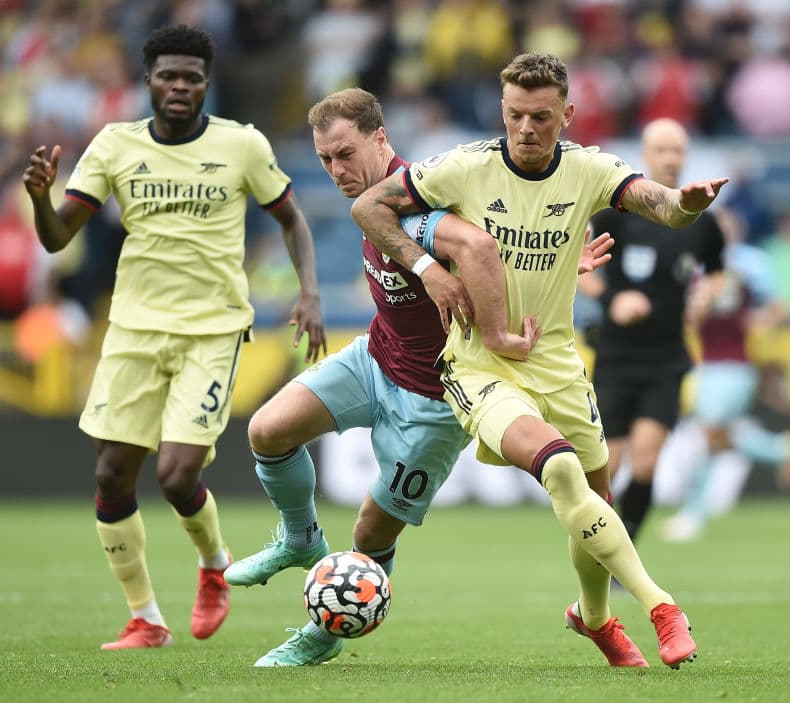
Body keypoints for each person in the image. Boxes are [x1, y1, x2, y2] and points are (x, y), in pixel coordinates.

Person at [353, 52, 728, 669]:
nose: (526, 128)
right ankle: (662, 607)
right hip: (478, 363)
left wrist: (687, 204)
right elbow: (369, 206)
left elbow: (660, 205)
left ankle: (594, 616)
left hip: (555, 360)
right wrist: (426, 270)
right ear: (502, 112)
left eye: (541, 117)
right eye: (515, 115)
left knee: (598, 501)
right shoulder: (462, 167)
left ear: (567, 115)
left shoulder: (588, 170)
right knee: (559, 472)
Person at [224, 87, 614, 667]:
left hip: (435, 400)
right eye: (326, 159)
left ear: (381, 138)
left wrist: (539, 264)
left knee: (370, 537)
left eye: (345, 154)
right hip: (375, 359)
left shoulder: (423, 199)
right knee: (268, 431)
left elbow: (480, 245)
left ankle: (324, 635)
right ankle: (300, 538)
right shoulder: (372, 198)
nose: (336, 170)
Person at [22, 24, 326, 651]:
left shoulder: (241, 144)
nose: (181, 86)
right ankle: (146, 619)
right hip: (133, 328)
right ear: (150, 81)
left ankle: (213, 561)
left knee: (177, 474)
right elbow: (57, 239)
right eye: (170, 76)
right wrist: (40, 200)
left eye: (192, 77)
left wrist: (310, 293)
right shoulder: (114, 145)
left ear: (206, 83)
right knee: (111, 475)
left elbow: (292, 219)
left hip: (212, 329)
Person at [579, 118, 725, 546]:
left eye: (677, 150)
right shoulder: (619, 213)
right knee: (611, 465)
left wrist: (707, 296)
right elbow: (579, 268)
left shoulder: (701, 219)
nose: (670, 158)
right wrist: (613, 301)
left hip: (667, 357)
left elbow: (716, 271)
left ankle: (625, 552)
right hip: (617, 355)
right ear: (645, 156)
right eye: (661, 149)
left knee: (645, 462)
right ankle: (596, 549)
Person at [659, 209, 790, 543]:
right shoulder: (697, 263)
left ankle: (693, 514)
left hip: (735, 365)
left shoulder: (750, 263)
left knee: (708, 434)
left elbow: (780, 306)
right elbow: (688, 313)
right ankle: (781, 449)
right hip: (710, 364)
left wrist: (758, 320)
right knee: (718, 437)